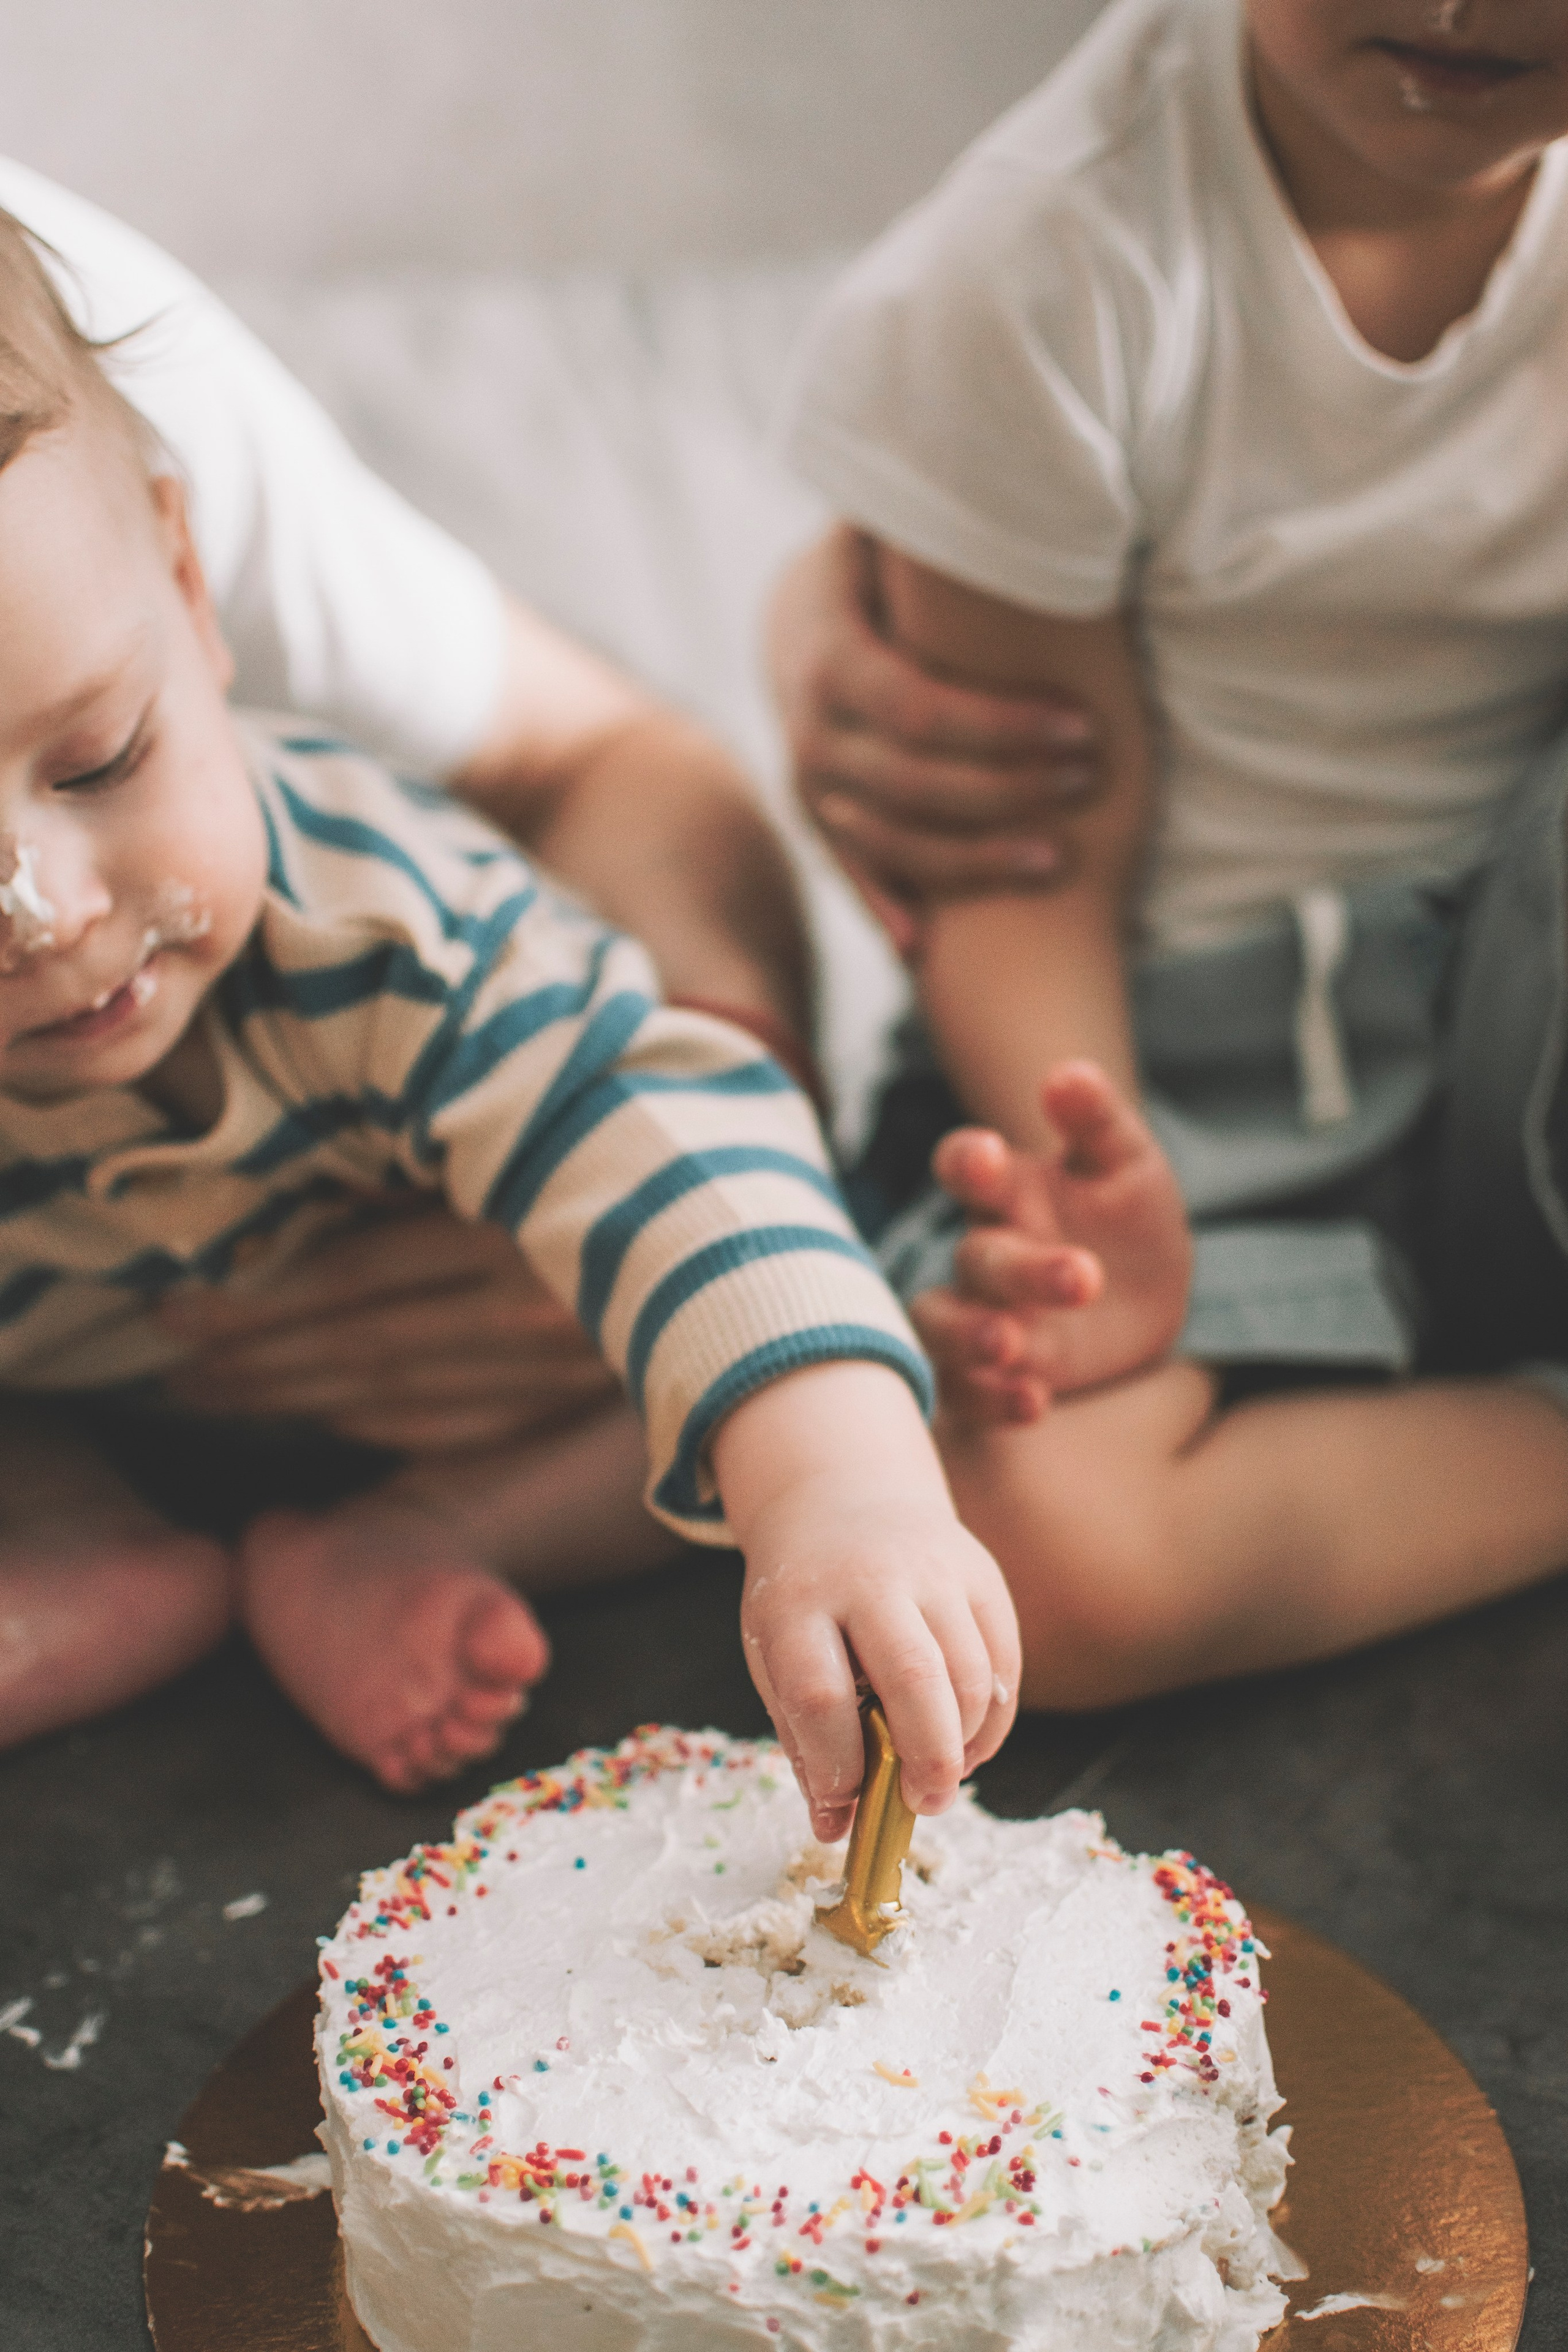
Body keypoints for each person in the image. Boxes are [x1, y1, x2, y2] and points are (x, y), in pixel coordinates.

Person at [0, 213, 1019, 1814]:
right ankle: (73, 1535)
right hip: (87, 1388)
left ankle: (419, 1532)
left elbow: (660, 1123)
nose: (42, 911)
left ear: (194, 590)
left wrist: (841, 1491)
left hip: (503, 1367)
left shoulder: (378, 915)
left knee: (805, 1334)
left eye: (102, 759)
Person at [781, 0, 1568, 1709]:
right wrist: (1091, 1179)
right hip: (1168, 1044)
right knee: (1042, 1560)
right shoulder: (1057, 256)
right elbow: (1019, 837)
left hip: (1522, 988)